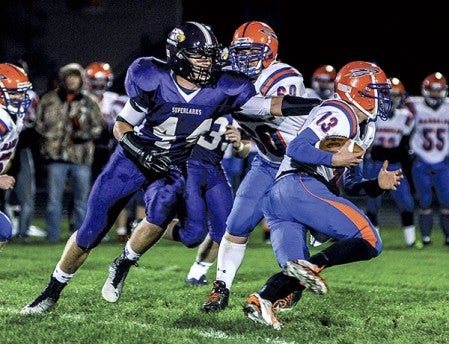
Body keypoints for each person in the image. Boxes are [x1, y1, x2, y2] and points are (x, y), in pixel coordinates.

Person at [20, 21, 320, 315]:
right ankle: (51, 291)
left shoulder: (223, 87)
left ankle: (123, 262)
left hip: (172, 165)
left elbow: (271, 106)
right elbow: (122, 125)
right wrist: (140, 150)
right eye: (200, 55)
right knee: (91, 231)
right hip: (132, 160)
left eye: (211, 55)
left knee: (162, 213)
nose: (208, 62)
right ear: (178, 56)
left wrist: (320, 105)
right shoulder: (151, 76)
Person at [242, 61, 403, 330]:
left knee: (293, 286)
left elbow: (350, 185)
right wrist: (332, 157)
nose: (382, 97)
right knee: (369, 239)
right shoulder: (340, 111)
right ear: (357, 91)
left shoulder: (365, 127)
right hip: (300, 185)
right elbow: (296, 147)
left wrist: (377, 185)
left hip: (281, 199)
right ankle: (312, 266)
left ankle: (262, 300)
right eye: (377, 90)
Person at [201, 20, 312, 312]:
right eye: (240, 51)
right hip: (265, 161)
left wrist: (224, 99)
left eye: (253, 51)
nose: (245, 58)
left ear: (270, 52)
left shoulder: (284, 76)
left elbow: (272, 111)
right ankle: (220, 288)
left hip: (297, 165)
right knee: (236, 224)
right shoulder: (232, 79)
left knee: (288, 234)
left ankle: (289, 289)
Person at [174, 116, 250, 286]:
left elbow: (243, 152)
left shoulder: (242, 113)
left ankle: (196, 274)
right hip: (188, 164)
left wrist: (237, 144)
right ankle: (146, 226)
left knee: (225, 229)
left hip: (214, 167)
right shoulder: (206, 99)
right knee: (193, 233)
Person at [34, 63, 104, 243]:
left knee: (81, 201)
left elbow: (98, 128)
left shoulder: (89, 100)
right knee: (53, 200)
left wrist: (82, 135)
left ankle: (80, 238)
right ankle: (52, 237)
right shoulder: (49, 99)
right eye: (68, 76)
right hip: (56, 157)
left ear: (81, 79)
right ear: (63, 79)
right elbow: (38, 125)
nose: (72, 79)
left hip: (81, 158)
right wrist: (50, 142)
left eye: (75, 76)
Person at [364, 77, 418, 247]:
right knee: (373, 203)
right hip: (375, 164)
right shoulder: (372, 114)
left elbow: (412, 115)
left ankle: (411, 241)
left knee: (406, 203)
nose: (391, 99)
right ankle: (374, 240)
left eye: (395, 95)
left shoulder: (405, 116)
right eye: (387, 95)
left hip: (394, 165)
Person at [84, 61, 131, 242]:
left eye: (103, 80)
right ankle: (88, 228)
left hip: (112, 151)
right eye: (95, 81)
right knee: (89, 192)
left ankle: (120, 230)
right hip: (88, 151)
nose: (99, 85)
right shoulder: (83, 99)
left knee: (117, 191)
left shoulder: (116, 99)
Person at [408, 72, 449, 246]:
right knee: (424, 202)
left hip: (443, 161)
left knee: (446, 202)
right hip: (421, 161)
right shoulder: (414, 106)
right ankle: (426, 238)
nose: (435, 95)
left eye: (439, 91)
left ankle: (447, 238)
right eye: (432, 91)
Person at [0, 63, 33, 249]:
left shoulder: (11, 116)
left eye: (22, 92)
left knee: (2, 229)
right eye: (13, 93)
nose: (20, 97)